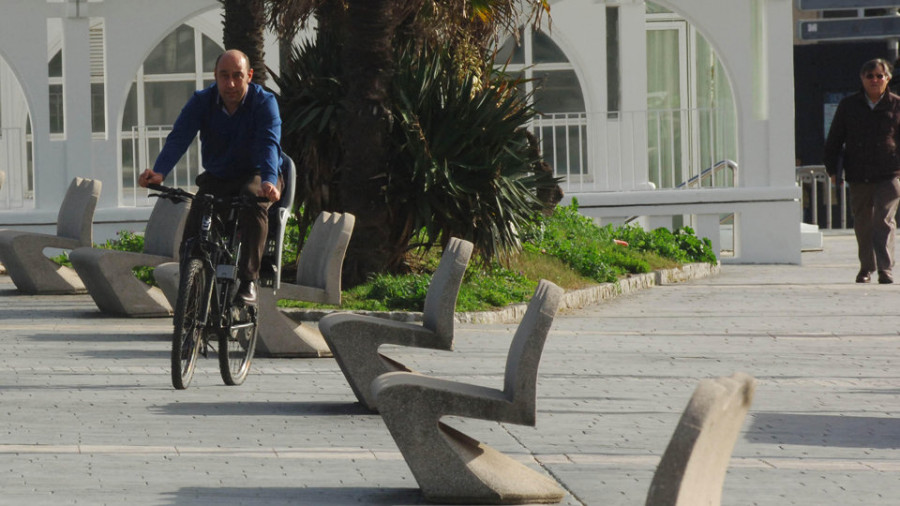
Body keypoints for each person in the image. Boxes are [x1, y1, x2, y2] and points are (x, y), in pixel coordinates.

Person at [138, 49, 283, 304]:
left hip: (257, 173)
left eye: (237, 76)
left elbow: (269, 145)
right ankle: (191, 296)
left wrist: (270, 180)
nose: (230, 84)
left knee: (253, 200)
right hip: (218, 176)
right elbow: (179, 138)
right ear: (215, 76)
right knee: (195, 229)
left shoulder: (264, 102)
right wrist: (159, 171)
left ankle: (249, 281)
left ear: (249, 76)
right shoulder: (201, 101)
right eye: (224, 76)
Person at [824, 58, 900, 284]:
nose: (875, 80)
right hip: (859, 173)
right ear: (862, 79)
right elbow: (835, 139)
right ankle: (866, 267)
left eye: (880, 75)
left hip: (889, 173)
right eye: (870, 76)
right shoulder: (849, 105)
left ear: (887, 78)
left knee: (883, 221)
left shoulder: (896, 105)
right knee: (863, 222)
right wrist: (832, 168)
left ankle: (885, 269)